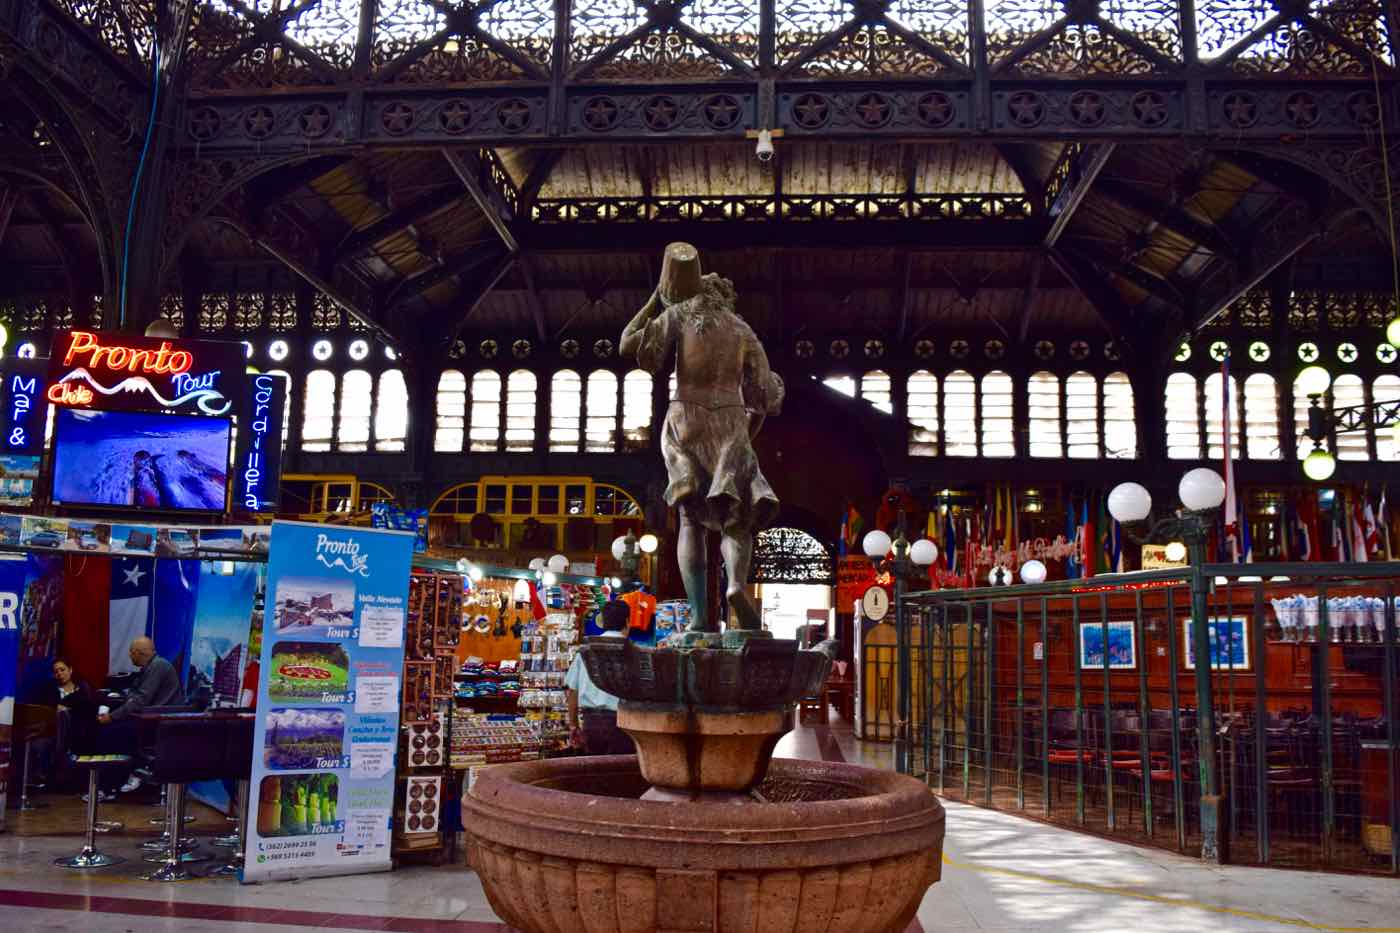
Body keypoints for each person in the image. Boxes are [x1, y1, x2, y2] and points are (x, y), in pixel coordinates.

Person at [620, 242, 783, 633]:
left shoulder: (680, 314)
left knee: (690, 518)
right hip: (730, 422)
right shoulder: (743, 330)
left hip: (685, 417)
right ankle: (736, 587)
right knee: (736, 521)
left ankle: (697, 617)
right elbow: (764, 395)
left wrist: (655, 300)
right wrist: (748, 432)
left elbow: (629, 342)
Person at [95, 637, 185, 793]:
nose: (129, 656)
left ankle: (109, 786)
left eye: (131, 652)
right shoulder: (152, 667)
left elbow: (140, 700)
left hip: (160, 725)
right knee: (113, 730)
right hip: (152, 720)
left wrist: (112, 716)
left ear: (137, 653)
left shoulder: (158, 667)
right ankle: (121, 778)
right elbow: (135, 696)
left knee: (111, 733)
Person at [564, 601, 634, 755]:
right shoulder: (634, 653)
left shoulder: (585, 651)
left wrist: (574, 726)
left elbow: (572, 692)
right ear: (628, 621)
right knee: (620, 771)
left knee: (595, 773)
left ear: (603, 622)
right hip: (625, 725)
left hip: (591, 725)